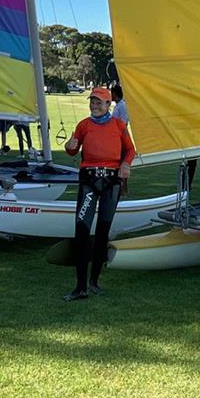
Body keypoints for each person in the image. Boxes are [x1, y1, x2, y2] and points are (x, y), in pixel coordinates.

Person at [63, 86, 135, 301]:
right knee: (82, 231)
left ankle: (94, 281)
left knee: (103, 231)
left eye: (98, 102)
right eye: (92, 101)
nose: (94, 105)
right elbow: (72, 149)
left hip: (111, 182)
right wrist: (70, 145)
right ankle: (80, 287)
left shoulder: (119, 125)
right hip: (89, 180)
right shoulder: (83, 125)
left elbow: (130, 150)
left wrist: (125, 164)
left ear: (108, 105)